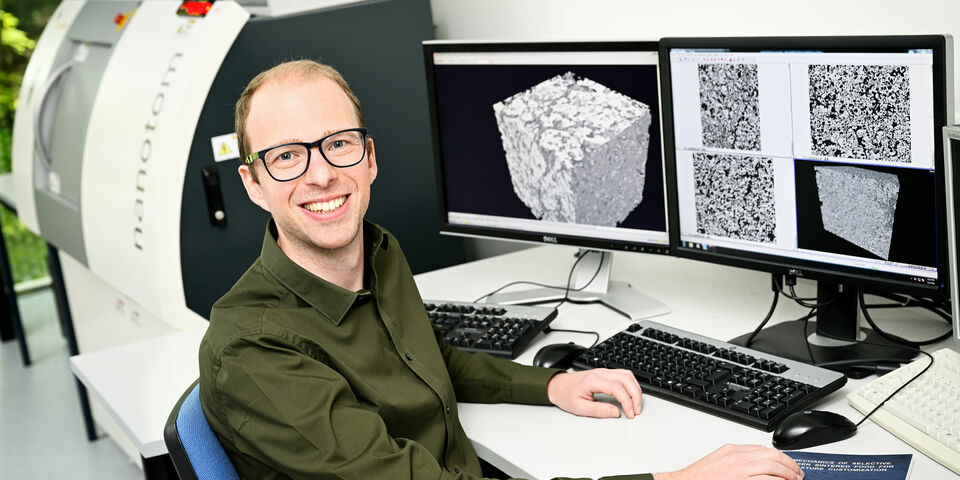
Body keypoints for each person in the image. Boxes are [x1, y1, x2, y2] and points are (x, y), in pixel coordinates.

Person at [198, 60, 804, 480]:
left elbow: (426, 358)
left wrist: (550, 385)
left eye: (338, 144)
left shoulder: (377, 254)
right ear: (252, 183)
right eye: (286, 156)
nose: (322, 174)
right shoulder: (253, 350)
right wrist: (671, 479)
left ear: (370, 157)